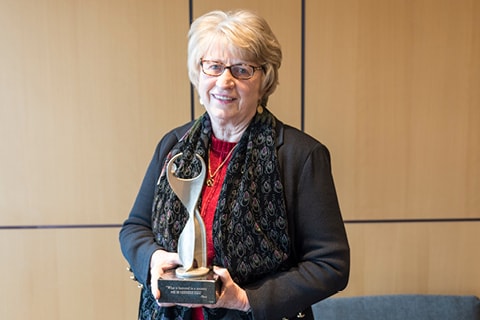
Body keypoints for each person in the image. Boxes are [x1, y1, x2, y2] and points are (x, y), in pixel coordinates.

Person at [119, 9, 350, 320]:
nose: (224, 81)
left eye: (241, 69)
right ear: (198, 74)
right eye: (213, 67)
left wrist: (245, 299)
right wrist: (153, 258)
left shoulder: (300, 156)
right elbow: (135, 229)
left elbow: (330, 265)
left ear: (264, 80)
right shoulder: (173, 146)